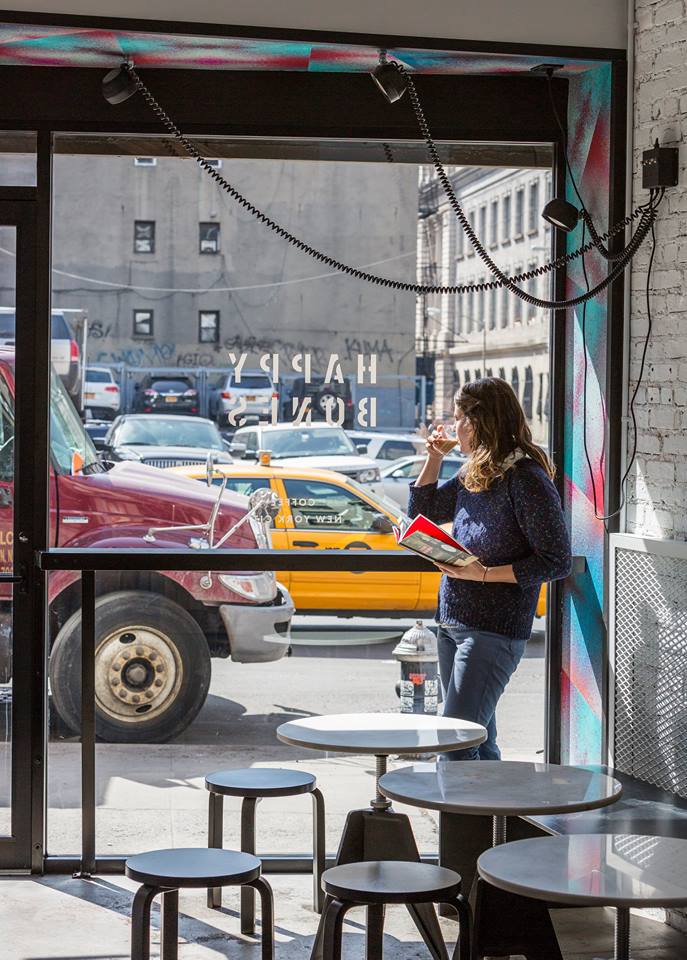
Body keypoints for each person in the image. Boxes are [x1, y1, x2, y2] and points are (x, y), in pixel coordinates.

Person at [408, 377, 571, 761]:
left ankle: (466, 820)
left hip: (492, 631)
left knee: (453, 745)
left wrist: (482, 573)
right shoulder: (475, 472)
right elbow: (423, 512)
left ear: (481, 421)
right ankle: (493, 821)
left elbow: (555, 560)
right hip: (452, 623)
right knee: (476, 742)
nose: (452, 426)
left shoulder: (525, 479)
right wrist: (433, 458)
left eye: (459, 417)